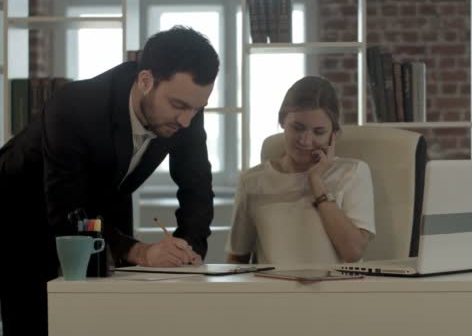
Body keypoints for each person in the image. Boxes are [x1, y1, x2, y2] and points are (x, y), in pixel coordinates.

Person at [0, 26, 218, 335]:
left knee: (111, 315)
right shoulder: (73, 105)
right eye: (179, 106)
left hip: (103, 202)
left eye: (197, 109)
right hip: (21, 210)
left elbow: (197, 187)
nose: (186, 120)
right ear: (146, 81)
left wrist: (188, 250)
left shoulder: (187, 111)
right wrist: (140, 251)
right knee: (36, 320)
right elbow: (65, 208)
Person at [225, 76, 375, 265]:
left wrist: (316, 182)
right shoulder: (253, 181)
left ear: (333, 135)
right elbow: (237, 258)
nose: (305, 140)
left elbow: (352, 252)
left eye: (319, 132)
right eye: (297, 128)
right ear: (282, 121)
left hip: (337, 291)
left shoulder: (352, 173)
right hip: (273, 292)